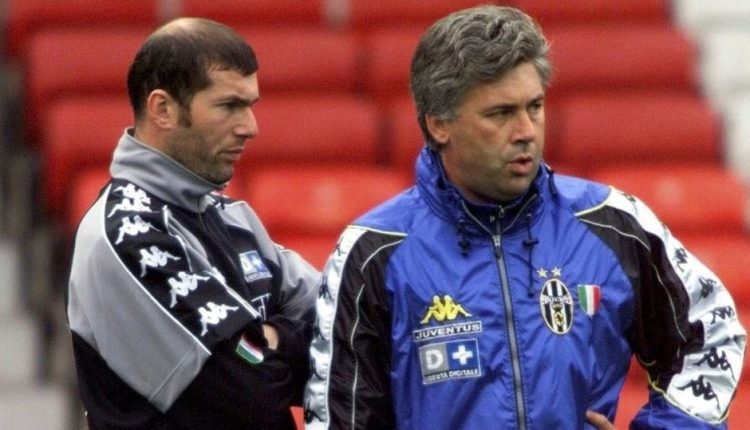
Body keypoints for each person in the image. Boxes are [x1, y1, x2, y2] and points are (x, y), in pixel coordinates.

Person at [305, 5, 746, 429]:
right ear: (439, 124)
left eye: (534, 107)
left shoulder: (612, 223)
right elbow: (339, 418)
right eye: (501, 114)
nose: (526, 131)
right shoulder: (373, 252)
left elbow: (711, 332)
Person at [66, 17, 319, 429]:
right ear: (163, 109)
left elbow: (346, 321)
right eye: (228, 106)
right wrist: (282, 339)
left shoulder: (232, 215)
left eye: (250, 105)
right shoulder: (125, 233)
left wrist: (269, 339)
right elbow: (252, 390)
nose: (250, 128)